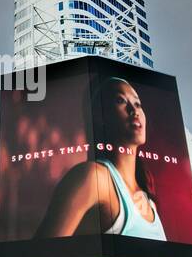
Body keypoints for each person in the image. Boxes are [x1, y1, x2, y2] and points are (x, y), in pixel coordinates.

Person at [34, 76, 166, 241]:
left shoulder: (148, 201)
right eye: (120, 100)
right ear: (99, 115)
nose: (134, 110)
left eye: (138, 104)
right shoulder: (93, 177)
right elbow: (42, 253)